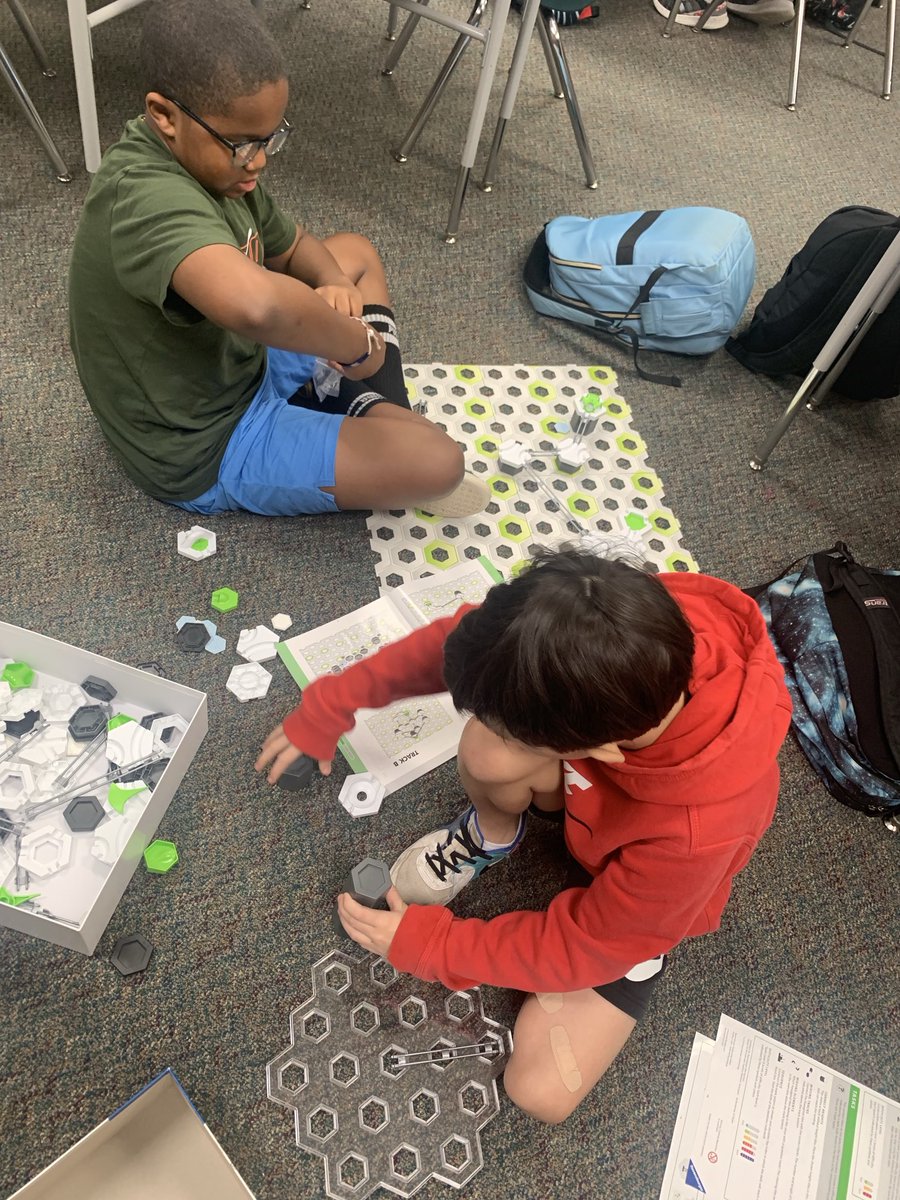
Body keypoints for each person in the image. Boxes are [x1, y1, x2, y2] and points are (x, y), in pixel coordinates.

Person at [256, 548, 792, 1123]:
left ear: (603, 751)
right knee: (487, 750)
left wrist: (435, 947)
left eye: (529, 739)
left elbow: (585, 946)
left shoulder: (696, 832)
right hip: (594, 799)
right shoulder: (610, 621)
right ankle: (491, 835)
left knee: (540, 1090)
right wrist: (333, 703)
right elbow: (459, 647)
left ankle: (647, 950)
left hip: (646, 901)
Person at [68, 0, 488, 520]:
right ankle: (365, 409)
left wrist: (331, 280)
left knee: (352, 254)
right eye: (243, 144)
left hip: (240, 363)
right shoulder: (141, 195)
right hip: (206, 444)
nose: (260, 161)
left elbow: (293, 246)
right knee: (439, 464)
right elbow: (260, 307)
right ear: (164, 116)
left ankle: (365, 411)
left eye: (269, 139)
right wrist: (359, 347)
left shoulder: (219, 170)